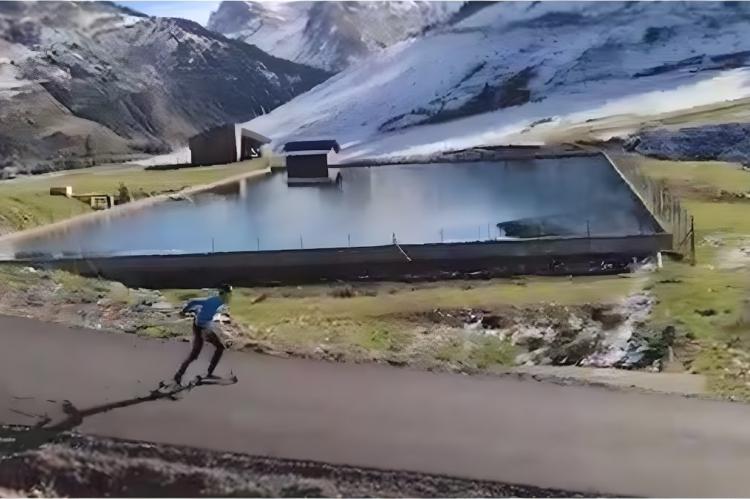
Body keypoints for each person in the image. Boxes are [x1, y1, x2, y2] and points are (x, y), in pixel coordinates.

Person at [173, 284, 233, 385]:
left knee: (217, 348)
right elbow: (195, 303)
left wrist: (186, 311)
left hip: (201, 326)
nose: (230, 297)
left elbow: (195, 304)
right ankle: (181, 374)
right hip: (202, 328)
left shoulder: (219, 301)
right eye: (228, 294)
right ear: (224, 294)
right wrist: (184, 311)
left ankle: (205, 372)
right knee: (199, 353)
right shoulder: (215, 301)